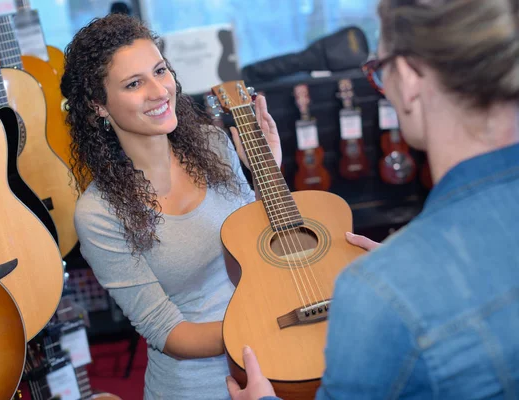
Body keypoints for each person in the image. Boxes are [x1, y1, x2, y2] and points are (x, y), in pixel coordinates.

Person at [228, 0, 519, 399]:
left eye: (378, 70)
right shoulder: (389, 284)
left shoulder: (378, 294)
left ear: (410, 78)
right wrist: (411, 266)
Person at [59, 13, 285, 399]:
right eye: (134, 83)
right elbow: (169, 334)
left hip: (278, 357)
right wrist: (267, 323)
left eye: (160, 71)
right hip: (200, 385)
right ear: (99, 105)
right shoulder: (98, 214)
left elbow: (262, 248)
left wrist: (269, 175)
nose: (159, 91)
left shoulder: (214, 144)